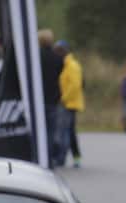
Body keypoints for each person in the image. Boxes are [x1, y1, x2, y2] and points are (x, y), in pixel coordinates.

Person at [37, 30, 67, 168]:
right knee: (51, 131)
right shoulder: (58, 58)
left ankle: (38, 157)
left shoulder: (37, 56)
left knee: (39, 130)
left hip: (39, 98)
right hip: (53, 98)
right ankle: (48, 159)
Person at [58, 40, 85, 168]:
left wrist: (63, 98)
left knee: (66, 132)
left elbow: (75, 85)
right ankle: (76, 157)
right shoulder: (66, 64)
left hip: (69, 104)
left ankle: (63, 157)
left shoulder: (72, 65)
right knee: (70, 131)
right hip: (69, 102)